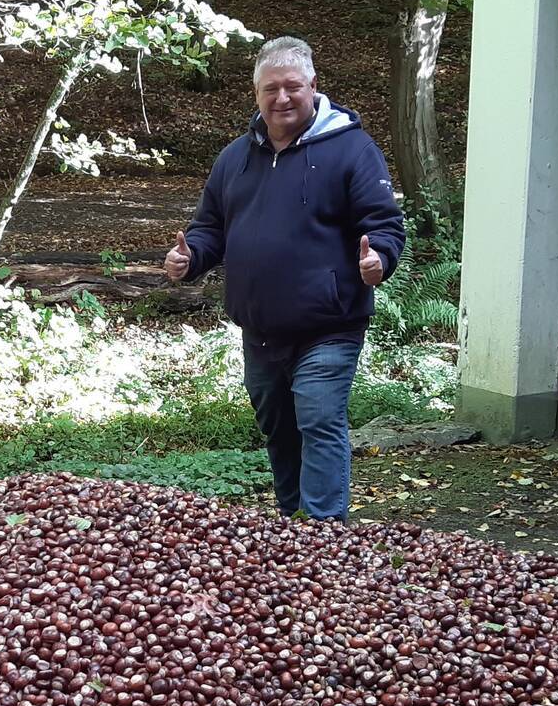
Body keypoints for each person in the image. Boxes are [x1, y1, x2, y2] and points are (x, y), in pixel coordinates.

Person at [165, 35, 405, 522]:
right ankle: (291, 522)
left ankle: (322, 535)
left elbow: (383, 224)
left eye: (293, 86)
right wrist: (190, 259)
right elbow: (210, 228)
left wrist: (379, 257)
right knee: (279, 428)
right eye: (270, 89)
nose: (282, 98)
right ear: (256, 94)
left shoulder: (351, 149)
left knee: (318, 419)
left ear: (313, 86)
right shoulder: (236, 157)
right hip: (260, 328)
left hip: (329, 323)